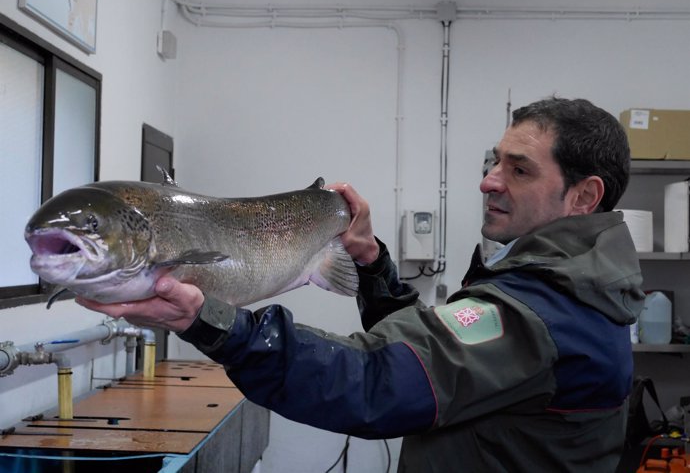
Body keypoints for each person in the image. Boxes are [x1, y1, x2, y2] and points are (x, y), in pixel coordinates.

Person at [77, 96, 645, 472]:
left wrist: (208, 320)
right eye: (494, 161)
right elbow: (431, 354)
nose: (488, 181)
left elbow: (375, 382)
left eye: (519, 169)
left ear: (584, 196)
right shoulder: (550, 281)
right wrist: (371, 263)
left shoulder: (545, 311)